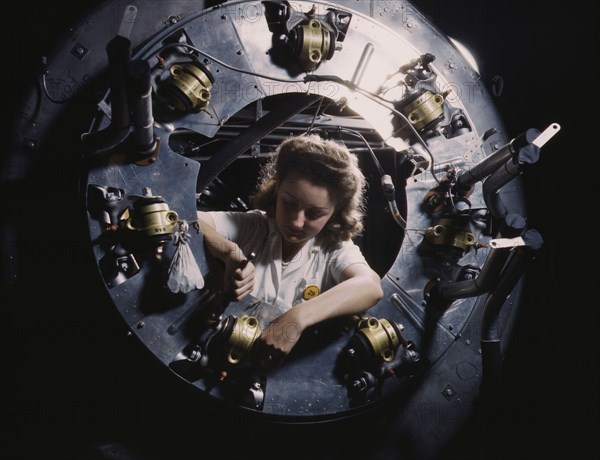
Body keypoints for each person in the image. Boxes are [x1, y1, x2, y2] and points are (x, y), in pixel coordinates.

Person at [197, 134, 383, 364]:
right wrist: (229, 251)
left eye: (314, 214)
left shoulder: (334, 249)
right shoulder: (253, 225)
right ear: (277, 190)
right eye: (289, 203)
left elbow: (370, 286)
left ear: (335, 213)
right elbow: (188, 220)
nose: (296, 222)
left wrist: (297, 318)